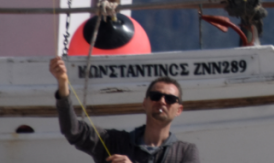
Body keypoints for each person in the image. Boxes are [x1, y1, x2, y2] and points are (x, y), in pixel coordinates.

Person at [50, 56, 200, 163]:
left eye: (170, 99)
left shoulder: (185, 152)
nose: (162, 101)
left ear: (179, 110)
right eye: (155, 96)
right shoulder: (114, 142)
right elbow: (73, 131)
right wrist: (63, 84)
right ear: (145, 103)